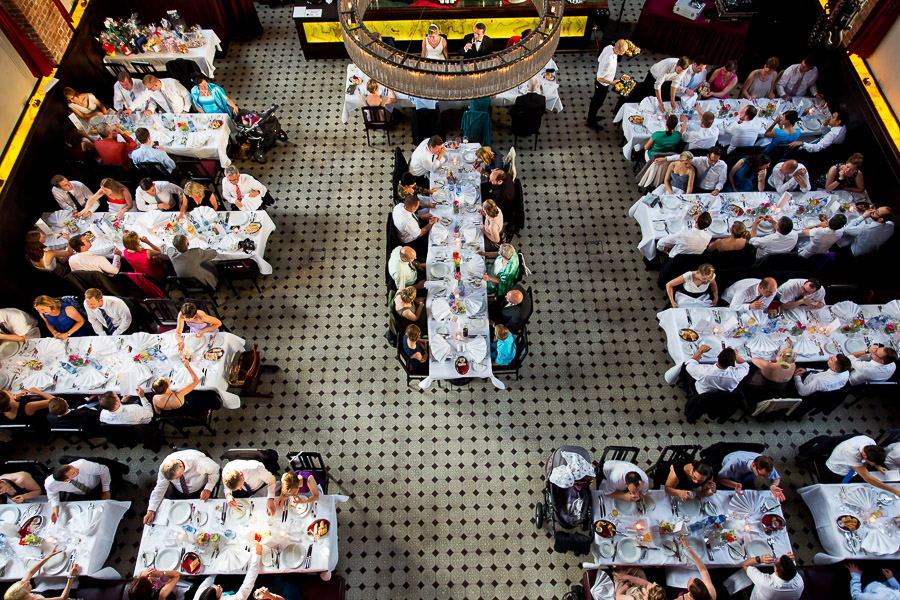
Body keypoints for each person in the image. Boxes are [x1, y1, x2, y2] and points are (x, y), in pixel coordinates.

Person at [144, 449, 221, 524]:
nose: (176, 479)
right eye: (174, 479)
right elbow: (160, 488)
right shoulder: (164, 468)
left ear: (181, 466)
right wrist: (151, 510)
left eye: (177, 477)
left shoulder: (198, 461)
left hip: (200, 490)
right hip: (178, 491)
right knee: (172, 515)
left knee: (202, 514)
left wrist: (208, 488)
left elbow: (215, 470)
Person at [823, 435, 900, 494]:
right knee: (837, 490)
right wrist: (895, 491)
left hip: (854, 469)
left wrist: (878, 466)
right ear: (865, 456)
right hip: (837, 470)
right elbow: (867, 478)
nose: (872, 465)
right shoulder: (851, 452)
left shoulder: (871, 443)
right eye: (872, 463)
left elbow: (871, 459)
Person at [45, 459, 111, 521]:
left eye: (71, 467)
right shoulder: (50, 483)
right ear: (66, 480)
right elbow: (52, 493)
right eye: (73, 473)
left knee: (104, 511)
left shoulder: (83, 465)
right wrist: (55, 506)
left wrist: (105, 490)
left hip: (98, 485)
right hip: (80, 494)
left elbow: (104, 470)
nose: (77, 469)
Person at [194, 544, 262, 600]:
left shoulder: (200, 595)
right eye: (219, 589)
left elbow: (208, 580)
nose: (219, 585)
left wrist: (218, 567)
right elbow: (247, 585)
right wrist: (257, 556)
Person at [3, 551, 80, 600]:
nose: (27, 582)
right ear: (26, 596)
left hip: (47, 591)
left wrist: (47, 557)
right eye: (27, 586)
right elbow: (63, 598)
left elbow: (30, 572)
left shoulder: (21, 590)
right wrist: (71, 577)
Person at [586, 39, 627, 130]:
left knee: (596, 102)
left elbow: (599, 59)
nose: (625, 53)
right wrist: (612, 82)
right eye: (624, 51)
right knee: (597, 102)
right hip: (602, 85)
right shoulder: (609, 62)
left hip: (603, 82)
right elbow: (599, 78)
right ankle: (591, 121)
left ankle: (592, 117)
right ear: (617, 51)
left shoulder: (609, 47)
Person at [718, 452, 785, 500]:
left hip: (744, 480)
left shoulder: (766, 465)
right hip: (729, 475)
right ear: (753, 465)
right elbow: (720, 478)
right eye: (760, 475)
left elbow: (776, 478)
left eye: (765, 476)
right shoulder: (734, 463)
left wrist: (773, 485)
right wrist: (734, 484)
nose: (762, 478)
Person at [661, 147, 727, 194]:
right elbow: (683, 157)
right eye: (712, 160)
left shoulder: (723, 166)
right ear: (707, 156)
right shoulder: (699, 161)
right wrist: (665, 159)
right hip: (698, 187)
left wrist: (717, 189)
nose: (713, 163)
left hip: (712, 189)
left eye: (716, 161)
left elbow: (722, 180)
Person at [685, 346, 750, 393]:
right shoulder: (737, 375)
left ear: (718, 356)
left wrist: (700, 351)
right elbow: (745, 366)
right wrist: (734, 356)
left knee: (685, 369)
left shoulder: (704, 372)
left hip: (702, 394)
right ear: (732, 363)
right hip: (721, 397)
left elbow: (689, 365)